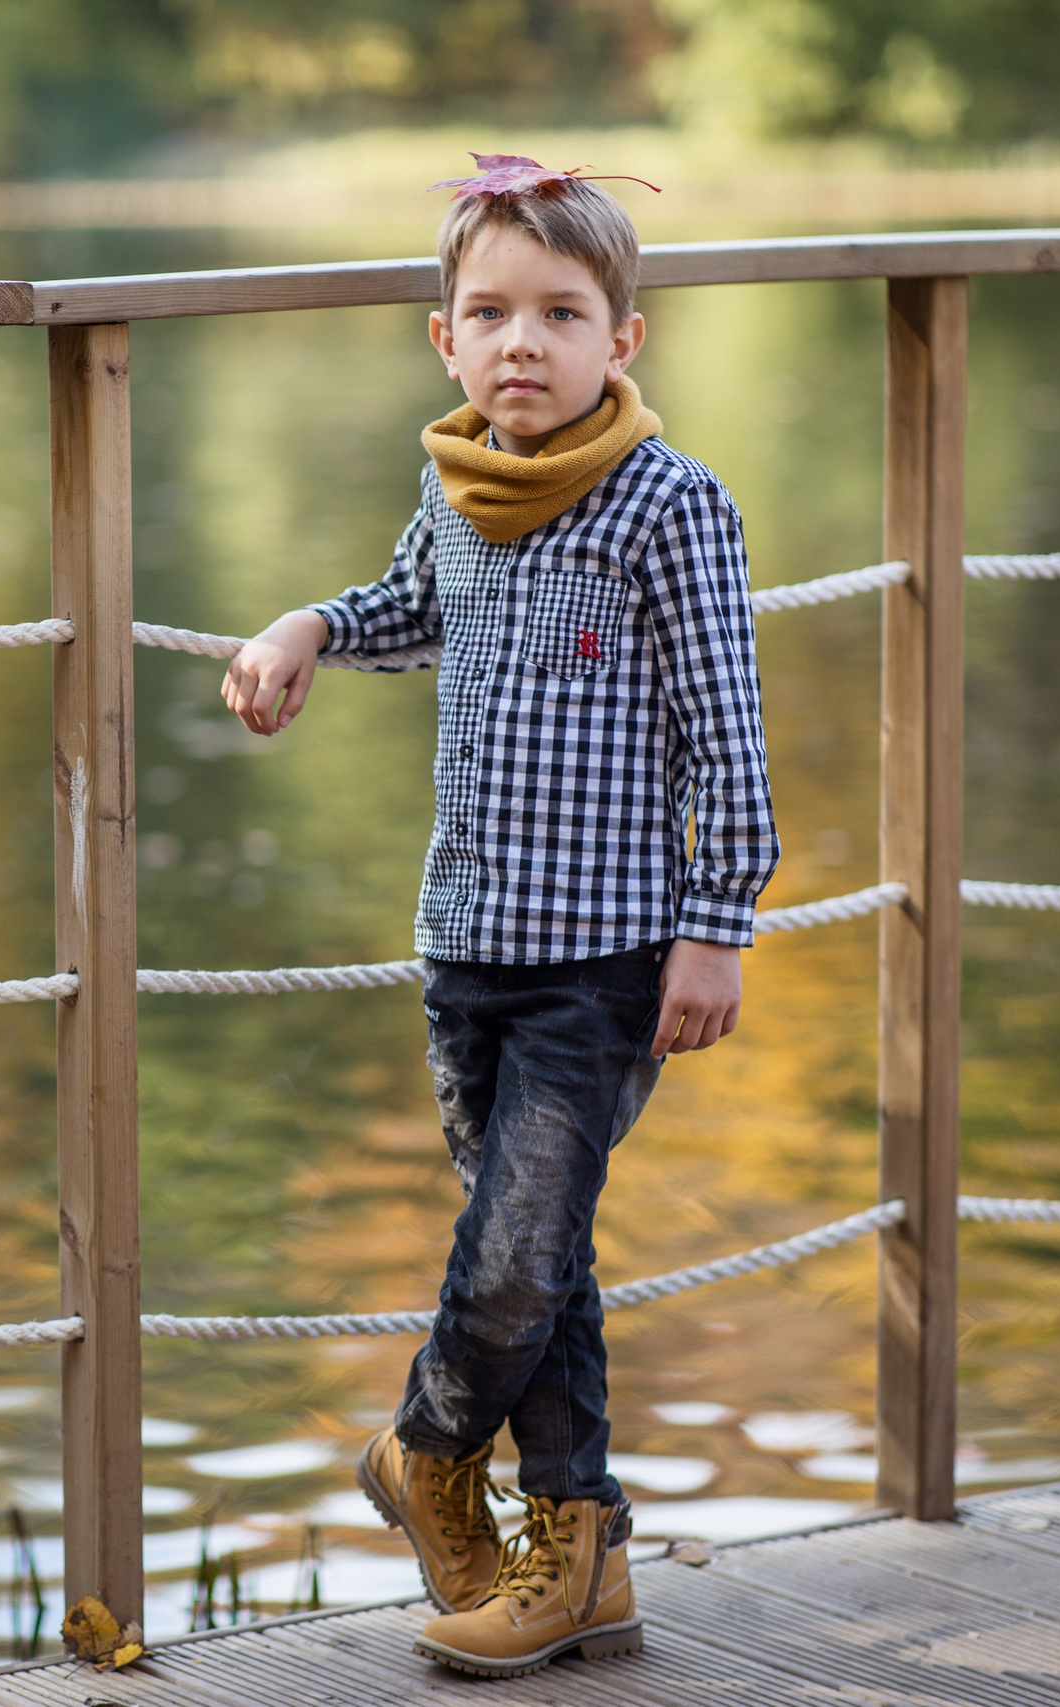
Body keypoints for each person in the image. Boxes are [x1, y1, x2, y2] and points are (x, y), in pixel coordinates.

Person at [218, 155, 778, 1679]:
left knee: (519, 1255)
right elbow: (416, 605)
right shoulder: (455, 484)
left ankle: (424, 1451)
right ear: (445, 341)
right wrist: (310, 624)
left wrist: (716, 924)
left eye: (561, 313)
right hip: (466, 949)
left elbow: (727, 741)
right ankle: (584, 1556)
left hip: (605, 962)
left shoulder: (671, 508)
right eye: (490, 313)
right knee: (549, 1255)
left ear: (622, 339)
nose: (523, 341)